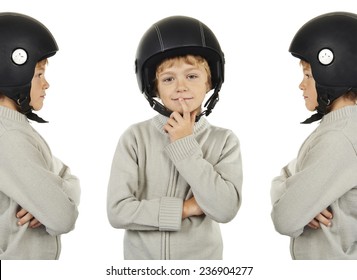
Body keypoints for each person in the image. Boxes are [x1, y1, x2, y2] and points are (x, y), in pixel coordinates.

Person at [107, 15, 242, 260]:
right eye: (168, 79)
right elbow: (117, 212)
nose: (181, 87)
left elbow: (225, 209)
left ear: (210, 81)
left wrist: (184, 145)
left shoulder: (224, 141)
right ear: (154, 87)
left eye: (192, 76)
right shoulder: (135, 138)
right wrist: (186, 208)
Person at [270, 12, 357, 259]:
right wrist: (300, 199)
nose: (301, 85)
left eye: (308, 75)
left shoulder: (339, 139)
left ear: (334, 71)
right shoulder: (336, 130)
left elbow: (285, 219)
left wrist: (296, 201)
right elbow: (285, 176)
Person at [0, 12, 80, 259]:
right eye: (39, 74)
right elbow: (63, 218)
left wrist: (51, 199)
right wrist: (53, 203)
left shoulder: (19, 132)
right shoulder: (8, 138)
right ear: (13, 73)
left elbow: (68, 176)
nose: (46, 84)